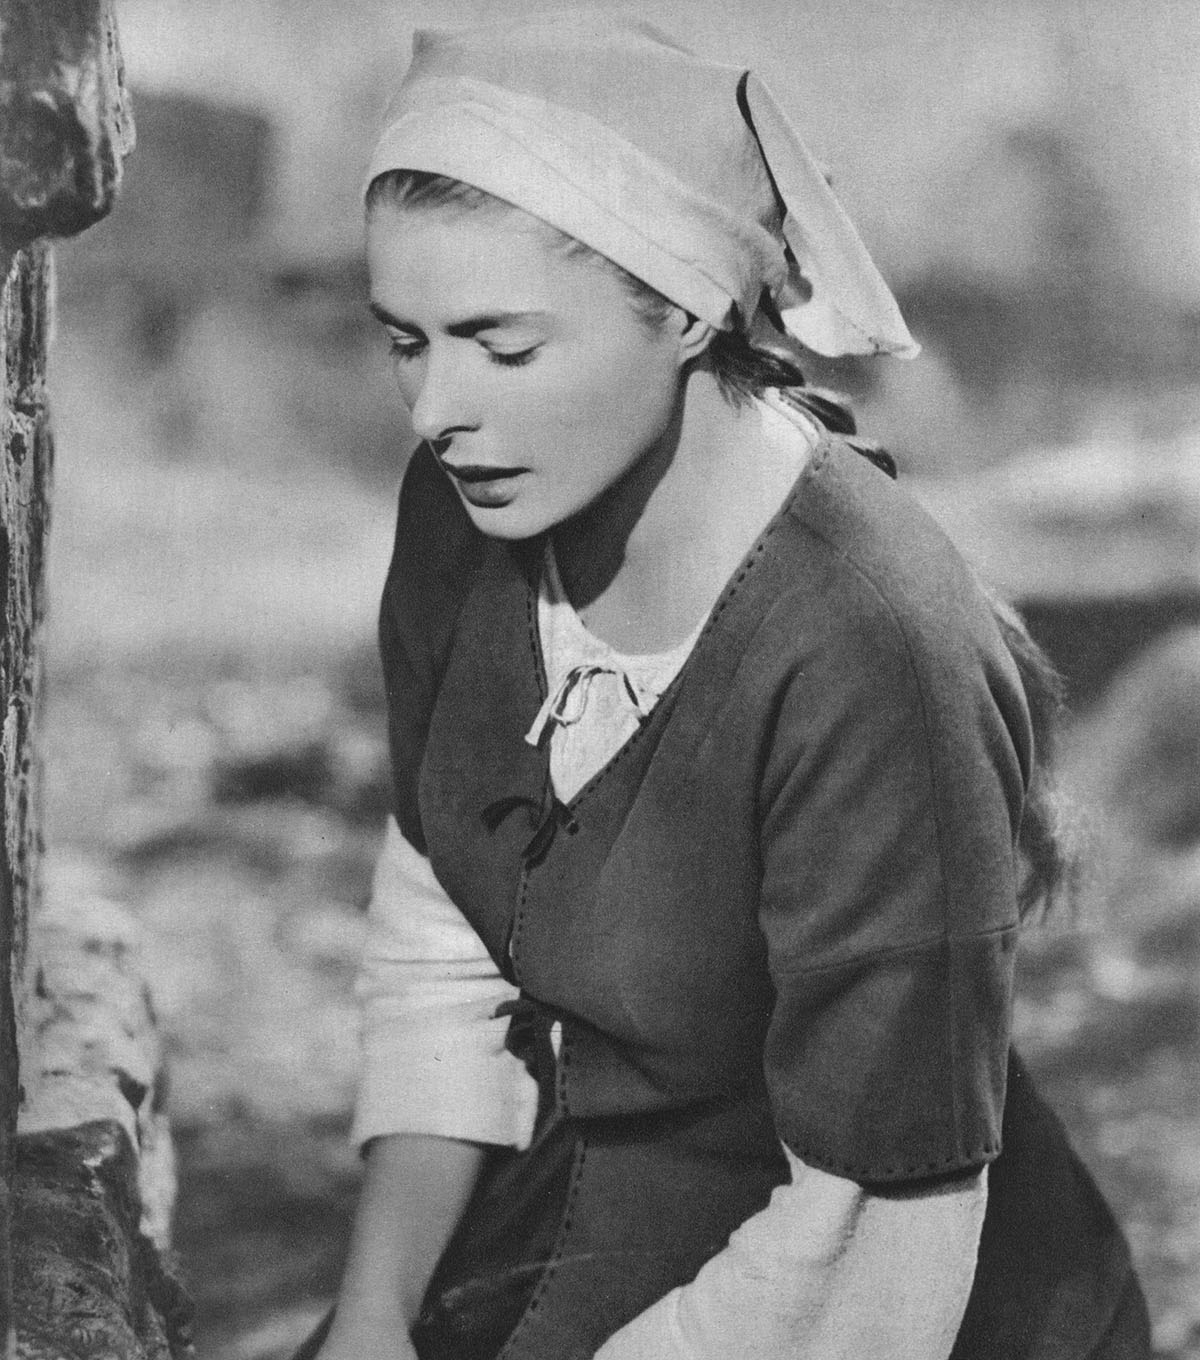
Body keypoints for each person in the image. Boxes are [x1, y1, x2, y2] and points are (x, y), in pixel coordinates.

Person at [299, 12, 1150, 1360]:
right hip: (583, 1208)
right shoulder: (471, 513)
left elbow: (875, 1254)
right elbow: (441, 931)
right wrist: (372, 1309)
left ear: (688, 310)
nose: (436, 411)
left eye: (503, 347)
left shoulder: (873, 651)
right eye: (406, 341)